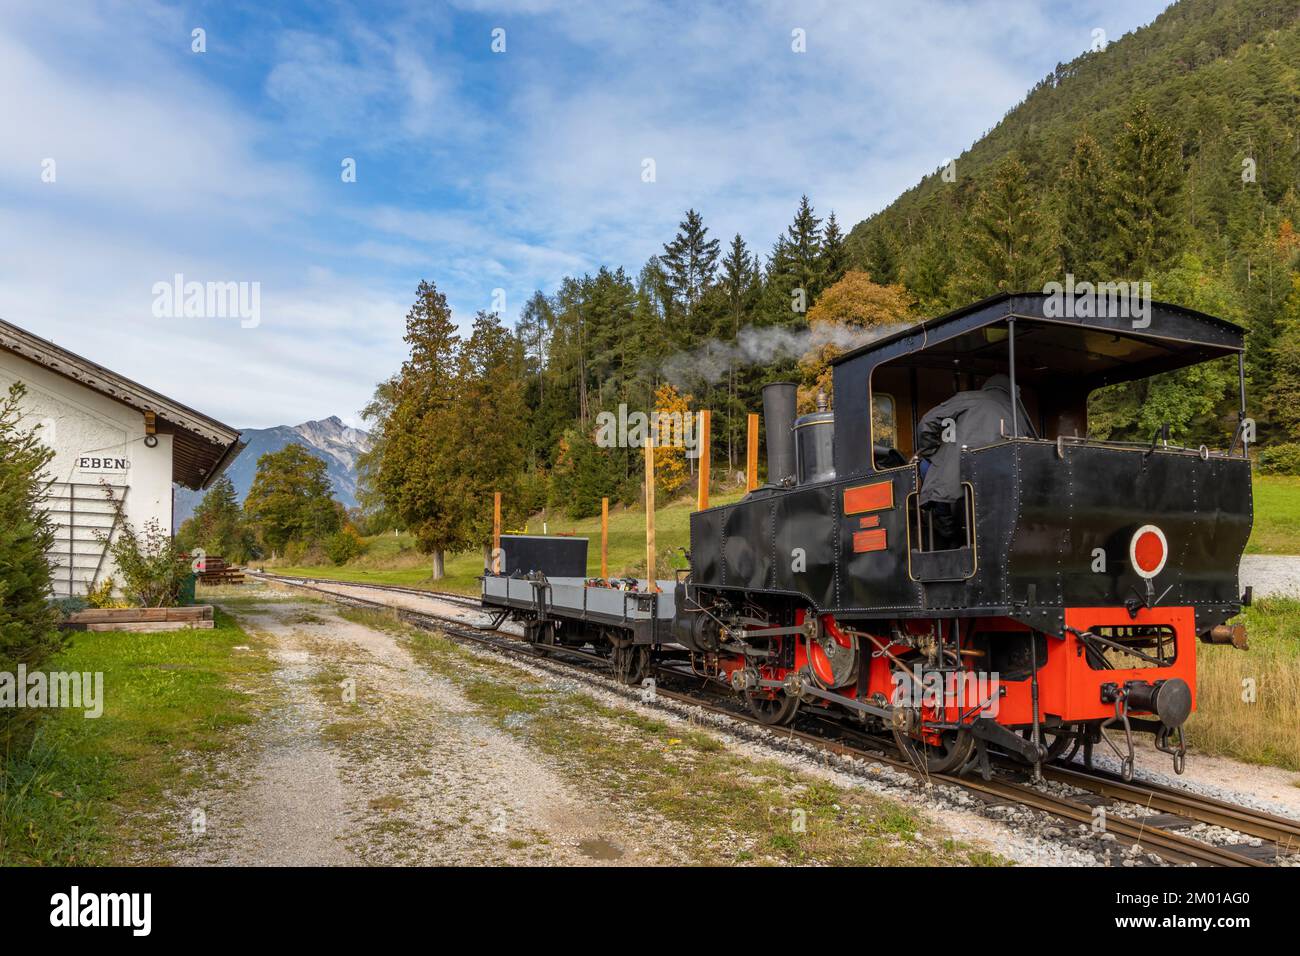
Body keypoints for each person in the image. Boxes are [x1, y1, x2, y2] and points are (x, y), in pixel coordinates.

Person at [914, 373, 1036, 549]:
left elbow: (927, 422)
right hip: (1005, 485)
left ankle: (947, 528)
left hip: (960, 479)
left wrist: (932, 451)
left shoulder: (969, 397)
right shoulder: (1019, 413)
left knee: (927, 466)